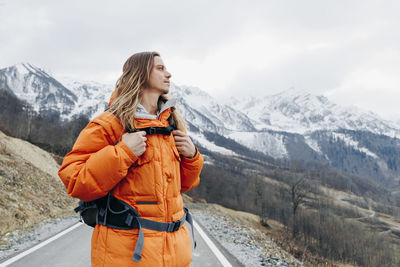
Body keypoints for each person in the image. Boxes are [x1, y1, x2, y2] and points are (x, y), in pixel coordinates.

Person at [58, 51, 204, 266]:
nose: (169, 74)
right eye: (160, 68)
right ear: (141, 74)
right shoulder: (109, 124)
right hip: (127, 255)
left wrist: (192, 157)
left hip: (174, 254)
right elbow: (74, 180)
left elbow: (181, 187)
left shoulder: (171, 123)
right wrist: (123, 152)